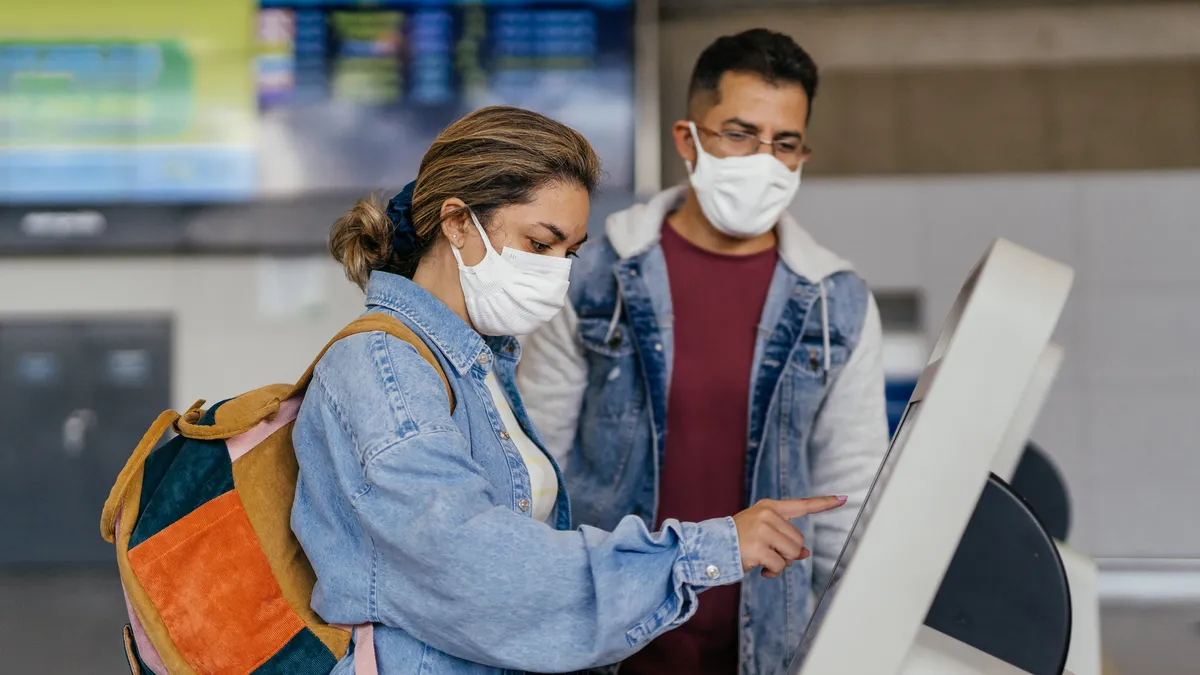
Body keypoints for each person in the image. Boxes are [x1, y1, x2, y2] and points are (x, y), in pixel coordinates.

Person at [290, 105, 847, 675]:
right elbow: (475, 568)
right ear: (457, 223)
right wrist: (704, 551)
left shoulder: (477, 364)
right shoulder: (381, 367)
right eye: (540, 244)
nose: (558, 272)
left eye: (570, 252)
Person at [517, 30, 889, 675]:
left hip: (763, 648)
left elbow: (848, 504)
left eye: (785, 143)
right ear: (689, 139)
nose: (763, 160)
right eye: (740, 134)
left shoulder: (837, 302)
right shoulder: (596, 275)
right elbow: (534, 474)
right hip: (608, 644)